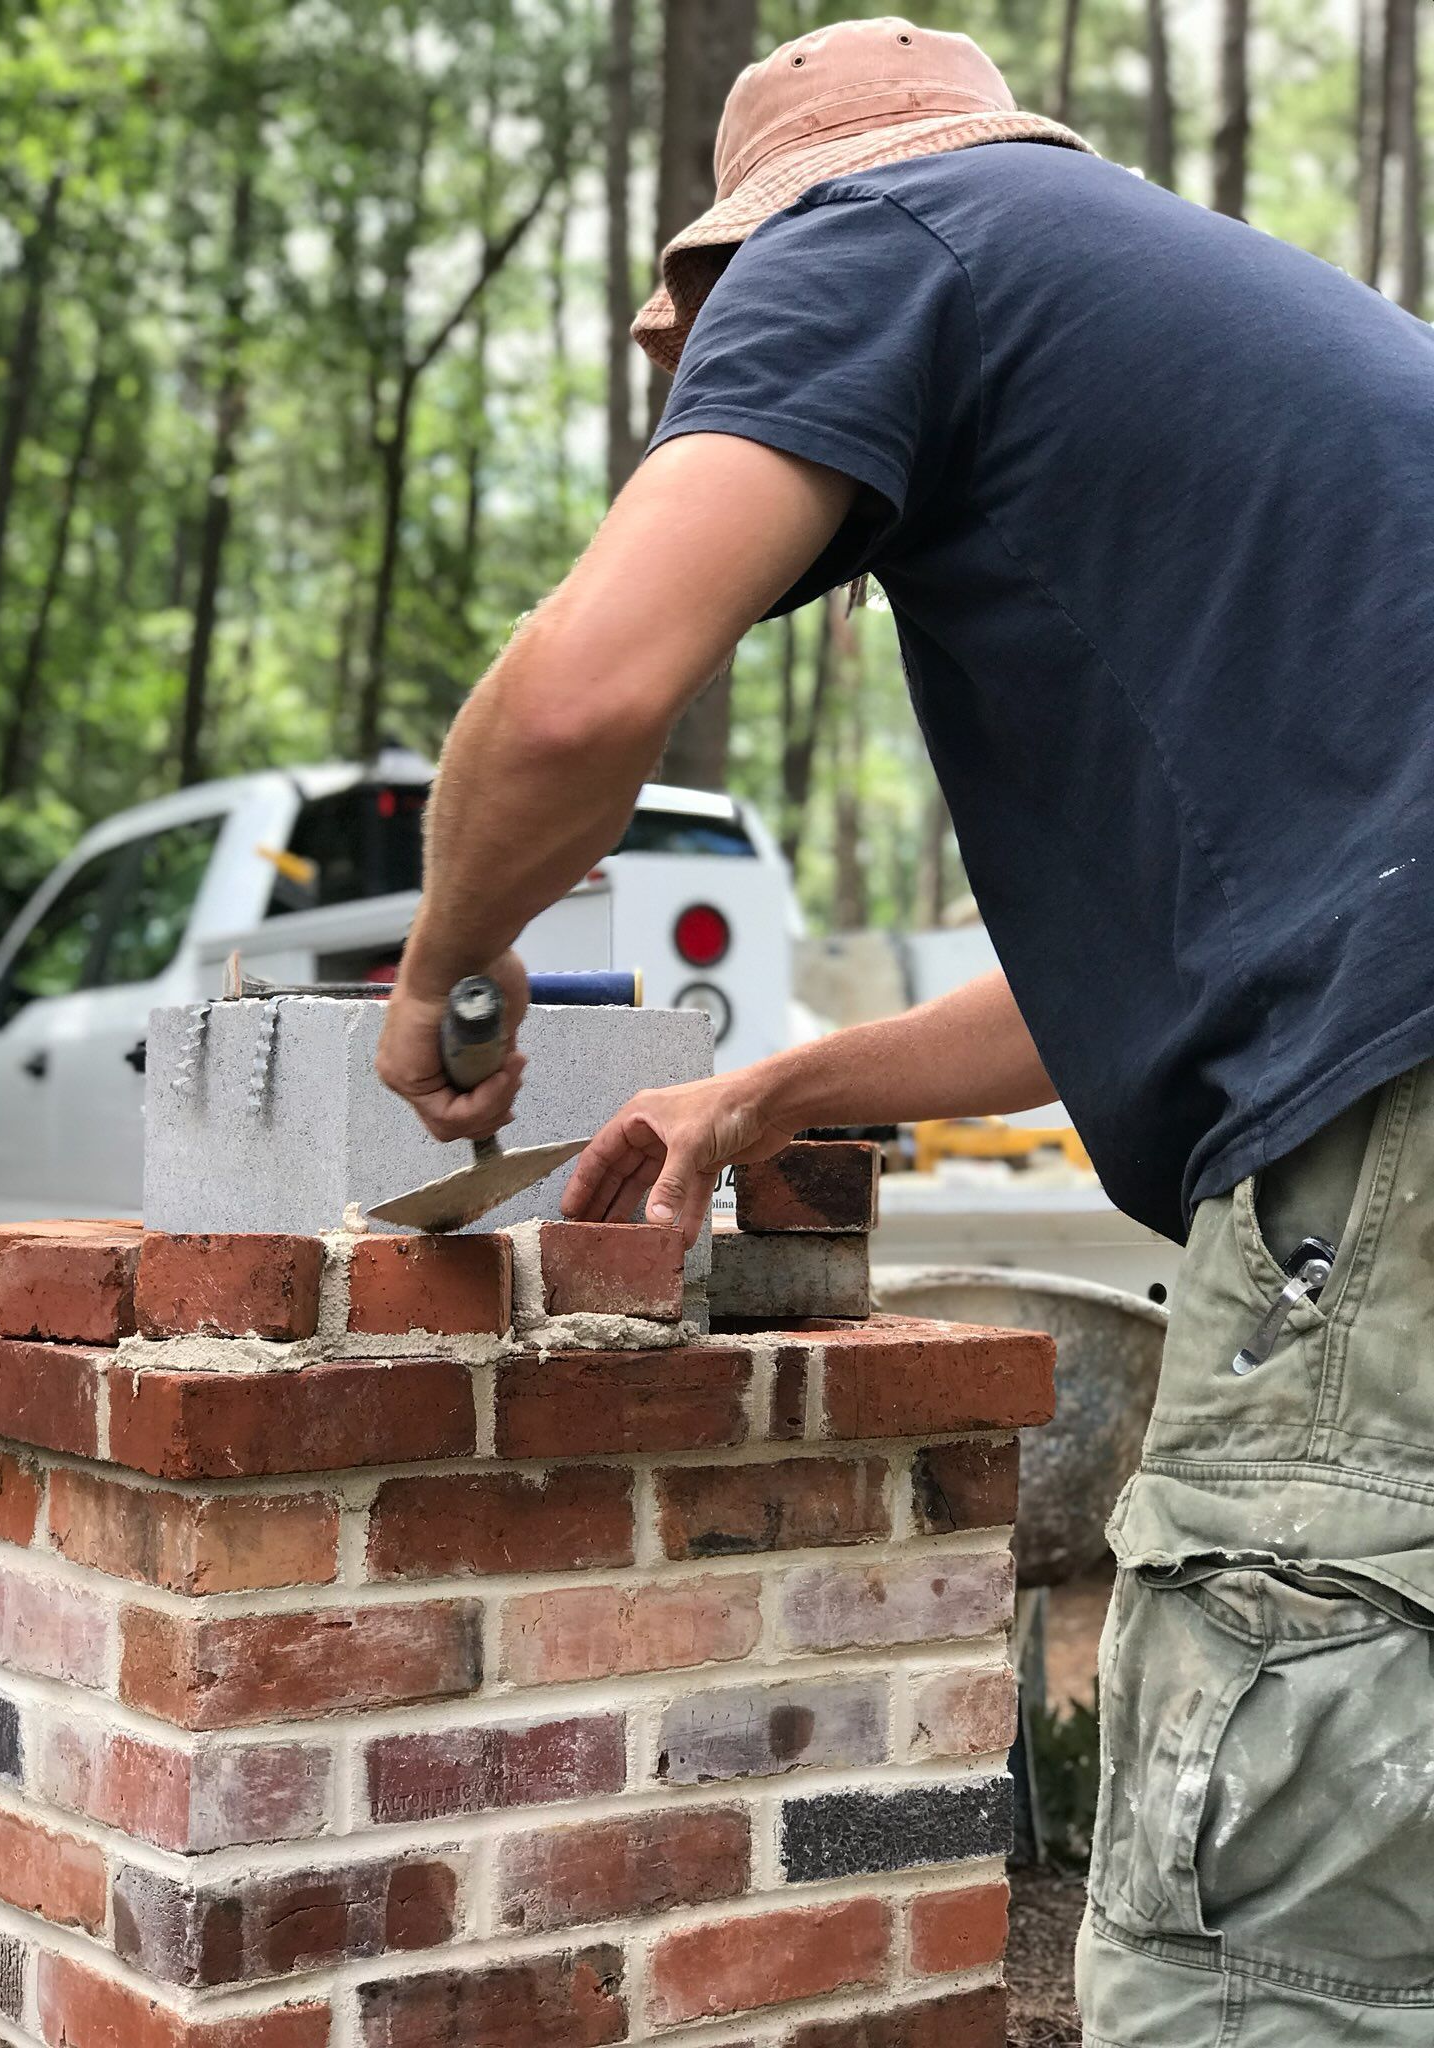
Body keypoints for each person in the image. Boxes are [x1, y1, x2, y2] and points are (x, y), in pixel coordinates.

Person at [373, 17, 1434, 2043]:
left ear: (726, 274)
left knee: (1269, 1960)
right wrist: (775, 1084)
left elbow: (585, 696)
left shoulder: (870, 240)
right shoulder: (1203, 361)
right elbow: (1203, 964)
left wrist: (443, 972)